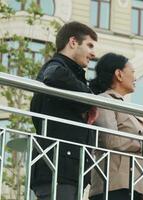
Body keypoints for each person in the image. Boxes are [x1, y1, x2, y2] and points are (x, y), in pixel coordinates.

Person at [30, 21, 98, 200]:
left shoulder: (72, 73)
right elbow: (54, 75)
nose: (93, 53)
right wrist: (90, 100)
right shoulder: (56, 67)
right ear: (73, 42)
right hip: (57, 169)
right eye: (89, 45)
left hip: (67, 170)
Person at [88, 53, 143, 200]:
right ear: (119, 74)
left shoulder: (125, 107)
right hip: (114, 188)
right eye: (132, 72)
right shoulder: (104, 101)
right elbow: (110, 139)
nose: (135, 78)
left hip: (135, 186)